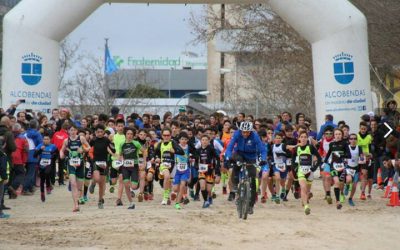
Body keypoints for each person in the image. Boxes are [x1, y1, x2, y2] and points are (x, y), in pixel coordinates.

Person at [225, 121, 268, 215]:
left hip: (251, 156)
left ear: (251, 131)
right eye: (243, 132)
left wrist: (263, 159)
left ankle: (251, 205)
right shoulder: (237, 134)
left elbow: (262, 150)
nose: (245, 134)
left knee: (253, 183)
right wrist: (228, 156)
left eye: (247, 132)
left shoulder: (255, 136)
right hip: (239, 153)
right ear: (240, 130)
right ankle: (235, 184)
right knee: (236, 163)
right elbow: (229, 147)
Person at [60, 124, 90, 212]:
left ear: (76, 131)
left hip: (80, 164)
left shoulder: (81, 139)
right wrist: (61, 154)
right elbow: (62, 150)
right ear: (68, 131)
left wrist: (83, 150)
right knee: (73, 184)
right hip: (71, 164)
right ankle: (76, 205)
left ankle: (79, 198)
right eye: (71, 130)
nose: (72, 132)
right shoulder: (66, 141)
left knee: (79, 187)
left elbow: (89, 147)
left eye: (74, 130)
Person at [291, 131, 321, 215]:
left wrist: (314, 168)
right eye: (302, 137)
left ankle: (304, 199)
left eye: (305, 137)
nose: (303, 138)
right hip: (301, 171)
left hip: (310, 172)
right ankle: (306, 207)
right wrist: (295, 168)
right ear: (299, 138)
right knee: (303, 187)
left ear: (307, 138)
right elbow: (293, 159)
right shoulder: (297, 148)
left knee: (307, 190)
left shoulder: (310, 147)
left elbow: (319, 158)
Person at [117, 127, 145, 209]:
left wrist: (144, 162)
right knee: (126, 184)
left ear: (133, 135)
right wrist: (120, 160)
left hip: (134, 167)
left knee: (133, 187)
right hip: (125, 167)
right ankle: (131, 203)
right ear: (125, 135)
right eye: (128, 134)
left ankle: (138, 182)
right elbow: (120, 155)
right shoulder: (122, 144)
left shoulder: (136, 143)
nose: (129, 135)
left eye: (131, 134)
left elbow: (144, 152)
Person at [154, 128, 184, 205]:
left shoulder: (173, 143)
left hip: (173, 165)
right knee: (166, 177)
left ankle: (172, 195)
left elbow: (182, 152)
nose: (166, 137)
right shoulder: (160, 144)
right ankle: (165, 197)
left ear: (170, 136)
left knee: (174, 186)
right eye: (165, 135)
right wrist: (156, 158)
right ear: (162, 136)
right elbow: (155, 153)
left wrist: (175, 151)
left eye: (168, 135)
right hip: (163, 164)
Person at [324, 128, 350, 209]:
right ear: (334, 135)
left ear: (342, 135)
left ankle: (344, 190)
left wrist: (340, 155)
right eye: (336, 134)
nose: (337, 136)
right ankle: (338, 202)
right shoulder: (332, 144)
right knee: (337, 182)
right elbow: (328, 154)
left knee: (342, 182)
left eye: (339, 134)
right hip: (333, 166)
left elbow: (349, 155)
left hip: (342, 166)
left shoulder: (345, 143)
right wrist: (324, 162)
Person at [90, 124, 113, 209]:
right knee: (96, 178)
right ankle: (92, 184)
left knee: (101, 184)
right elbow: (88, 148)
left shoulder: (106, 140)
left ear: (104, 132)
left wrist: (113, 153)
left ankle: (100, 200)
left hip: (104, 163)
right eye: (98, 132)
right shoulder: (93, 140)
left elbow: (110, 149)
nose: (99, 133)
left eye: (101, 132)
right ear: (95, 132)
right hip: (96, 162)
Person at [34, 133, 58, 202]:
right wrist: (40, 150)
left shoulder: (53, 146)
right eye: (44, 139)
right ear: (42, 140)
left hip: (49, 163)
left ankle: (48, 186)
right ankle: (42, 193)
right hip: (41, 163)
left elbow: (57, 154)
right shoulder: (40, 146)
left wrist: (53, 156)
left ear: (50, 140)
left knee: (47, 173)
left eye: (47, 139)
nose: (46, 140)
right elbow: (35, 155)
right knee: (42, 179)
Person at [345, 133, 365, 206]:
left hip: (356, 168)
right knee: (349, 180)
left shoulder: (359, 148)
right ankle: (347, 186)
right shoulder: (347, 147)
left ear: (356, 140)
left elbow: (362, 157)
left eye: (354, 138)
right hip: (348, 167)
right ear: (349, 140)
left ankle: (350, 198)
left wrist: (362, 158)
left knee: (354, 185)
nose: (353, 140)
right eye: (351, 139)